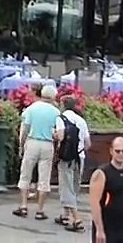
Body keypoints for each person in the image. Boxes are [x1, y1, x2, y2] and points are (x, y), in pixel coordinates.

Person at [13, 84, 59, 220]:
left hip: (32, 142)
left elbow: (24, 129)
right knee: (44, 178)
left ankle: (23, 205)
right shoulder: (56, 112)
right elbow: (58, 131)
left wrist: (21, 145)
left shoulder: (31, 109)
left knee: (25, 174)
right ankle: (40, 210)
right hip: (47, 143)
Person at [54, 95, 91, 232]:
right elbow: (88, 144)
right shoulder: (81, 120)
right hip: (79, 157)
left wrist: (54, 135)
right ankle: (66, 215)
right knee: (74, 186)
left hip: (66, 158)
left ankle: (77, 218)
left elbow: (61, 136)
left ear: (63, 105)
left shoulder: (61, 118)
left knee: (66, 186)